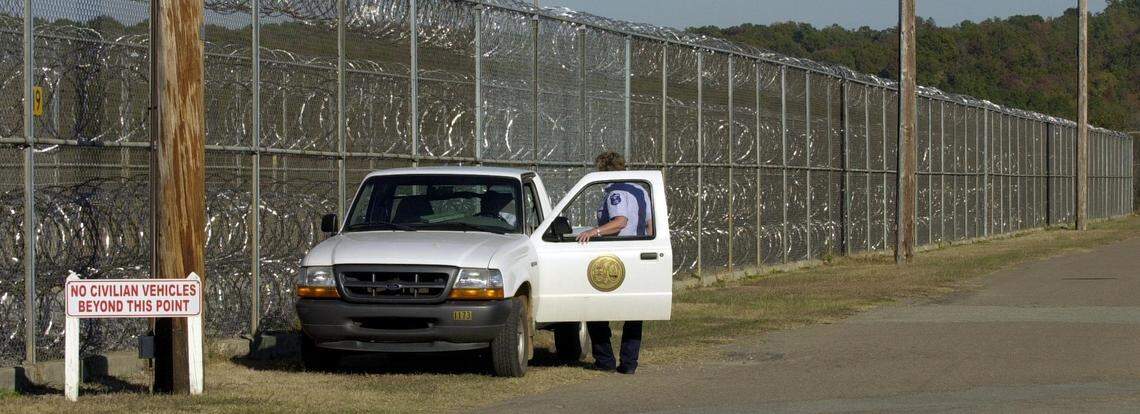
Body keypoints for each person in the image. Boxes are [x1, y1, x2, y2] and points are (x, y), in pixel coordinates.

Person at [575, 151, 651, 374]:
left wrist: (595, 231)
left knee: (596, 309)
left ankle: (605, 360)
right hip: (638, 252)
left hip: (617, 254)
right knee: (634, 313)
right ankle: (629, 363)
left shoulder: (615, 193)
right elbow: (650, 226)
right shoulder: (640, 189)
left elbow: (619, 222)